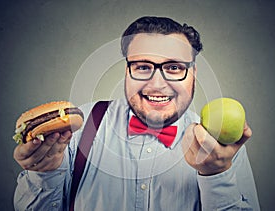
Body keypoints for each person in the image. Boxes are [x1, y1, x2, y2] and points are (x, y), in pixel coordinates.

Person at [13, 16, 260, 210]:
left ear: (194, 73)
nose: (157, 84)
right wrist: (44, 175)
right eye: (143, 67)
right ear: (126, 71)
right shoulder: (78, 129)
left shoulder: (220, 147)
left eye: (174, 67)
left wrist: (216, 175)